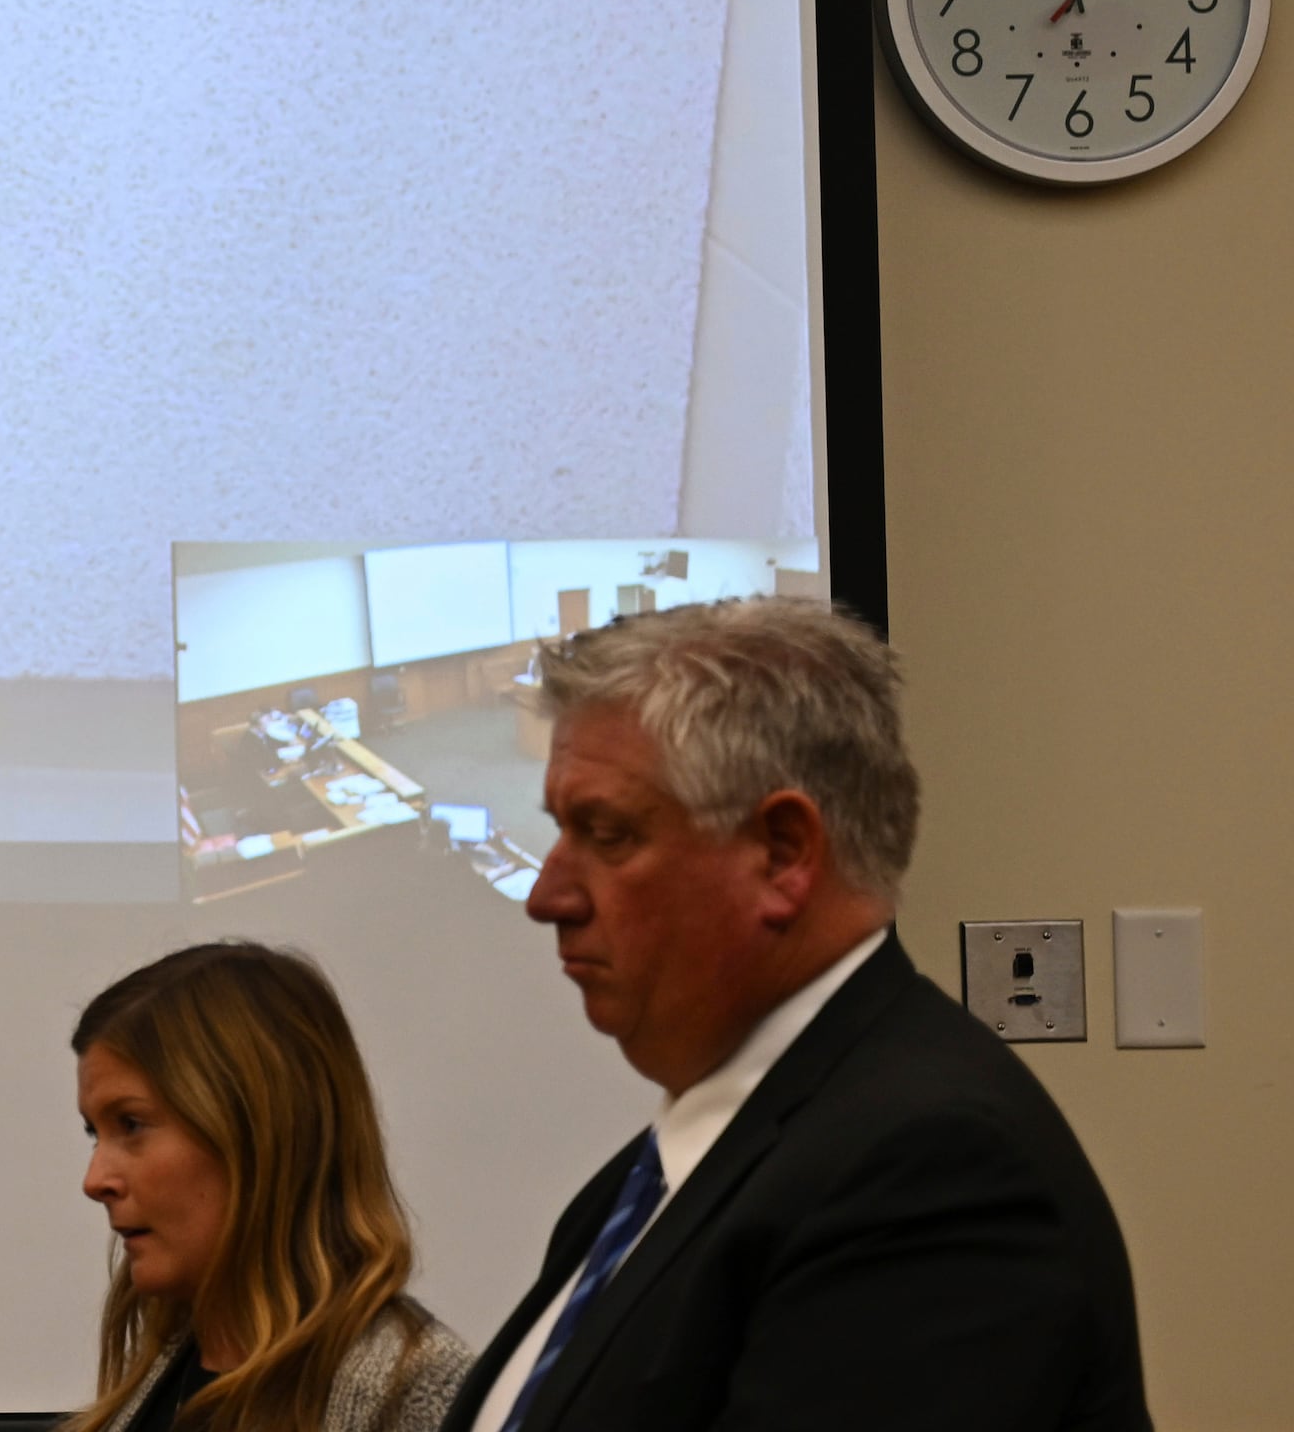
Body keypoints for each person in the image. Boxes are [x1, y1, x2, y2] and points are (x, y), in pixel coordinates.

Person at [446, 599, 1146, 1431]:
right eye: (560, 832)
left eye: (607, 834)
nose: (547, 896)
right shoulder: (673, 1165)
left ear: (782, 855)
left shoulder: (931, 1170)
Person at [69, 941, 472, 1432]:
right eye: (95, 1132)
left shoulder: (415, 1392)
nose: (96, 1181)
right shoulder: (169, 1368)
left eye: (131, 1124)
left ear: (258, 1134)